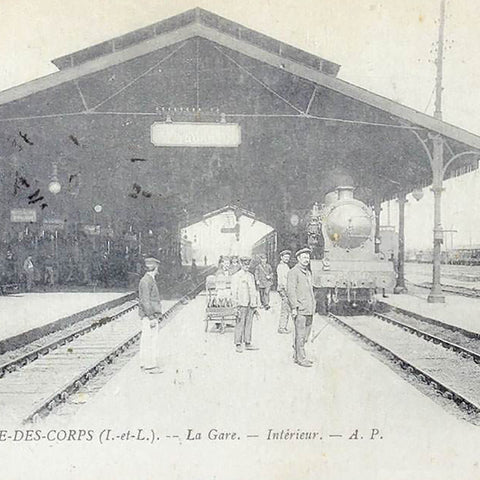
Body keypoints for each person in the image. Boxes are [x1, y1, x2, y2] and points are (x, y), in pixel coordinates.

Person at [287, 247, 316, 367]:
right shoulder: (294, 272)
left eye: (308, 257)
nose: (306, 260)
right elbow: (291, 291)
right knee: (301, 335)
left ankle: (296, 355)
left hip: (309, 308)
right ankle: (301, 358)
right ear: (298, 258)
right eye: (304, 257)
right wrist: (294, 307)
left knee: (305, 335)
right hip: (300, 309)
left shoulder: (308, 272)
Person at [138, 257, 163, 373]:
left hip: (149, 316)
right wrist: (152, 317)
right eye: (157, 267)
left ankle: (144, 363)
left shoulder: (148, 280)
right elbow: (145, 301)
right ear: (155, 268)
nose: (158, 270)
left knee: (146, 340)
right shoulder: (146, 281)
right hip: (149, 316)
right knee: (151, 340)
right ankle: (150, 365)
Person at [231, 256, 259, 353]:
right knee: (240, 323)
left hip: (250, 304)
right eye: (244, 264)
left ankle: (247, 342)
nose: (247, 266)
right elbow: (234, 292)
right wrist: (235, 306)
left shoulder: (251, 276)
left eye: (248, 265)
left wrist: (255, 304)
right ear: (241, 265)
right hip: (241, 304)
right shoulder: (236, 277)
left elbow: (254, 290)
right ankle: (238, 343)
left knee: (249, 324)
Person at [276, 249, 292, 334]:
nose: (287, 258)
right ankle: (282, 327)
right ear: (281, 257)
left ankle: (283, 326)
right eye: (285, 257)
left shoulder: (285, 266)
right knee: (285, 309)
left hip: (284, 289)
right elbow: (282, 280)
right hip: (284, 289)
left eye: (288, 257)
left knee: (286, 308)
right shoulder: (281, 267)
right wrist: (285, 291)